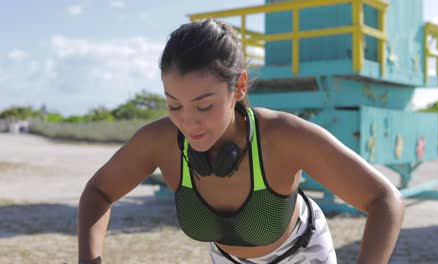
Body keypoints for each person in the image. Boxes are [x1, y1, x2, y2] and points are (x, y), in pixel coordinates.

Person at [78, 19, 405, 264]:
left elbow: (385, 201)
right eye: (174, 105)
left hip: (301, 255)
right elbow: (99, 192)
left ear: (239, 88)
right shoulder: (161, 141)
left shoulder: (284, 136)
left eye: (204, 105)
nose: (188, 122)